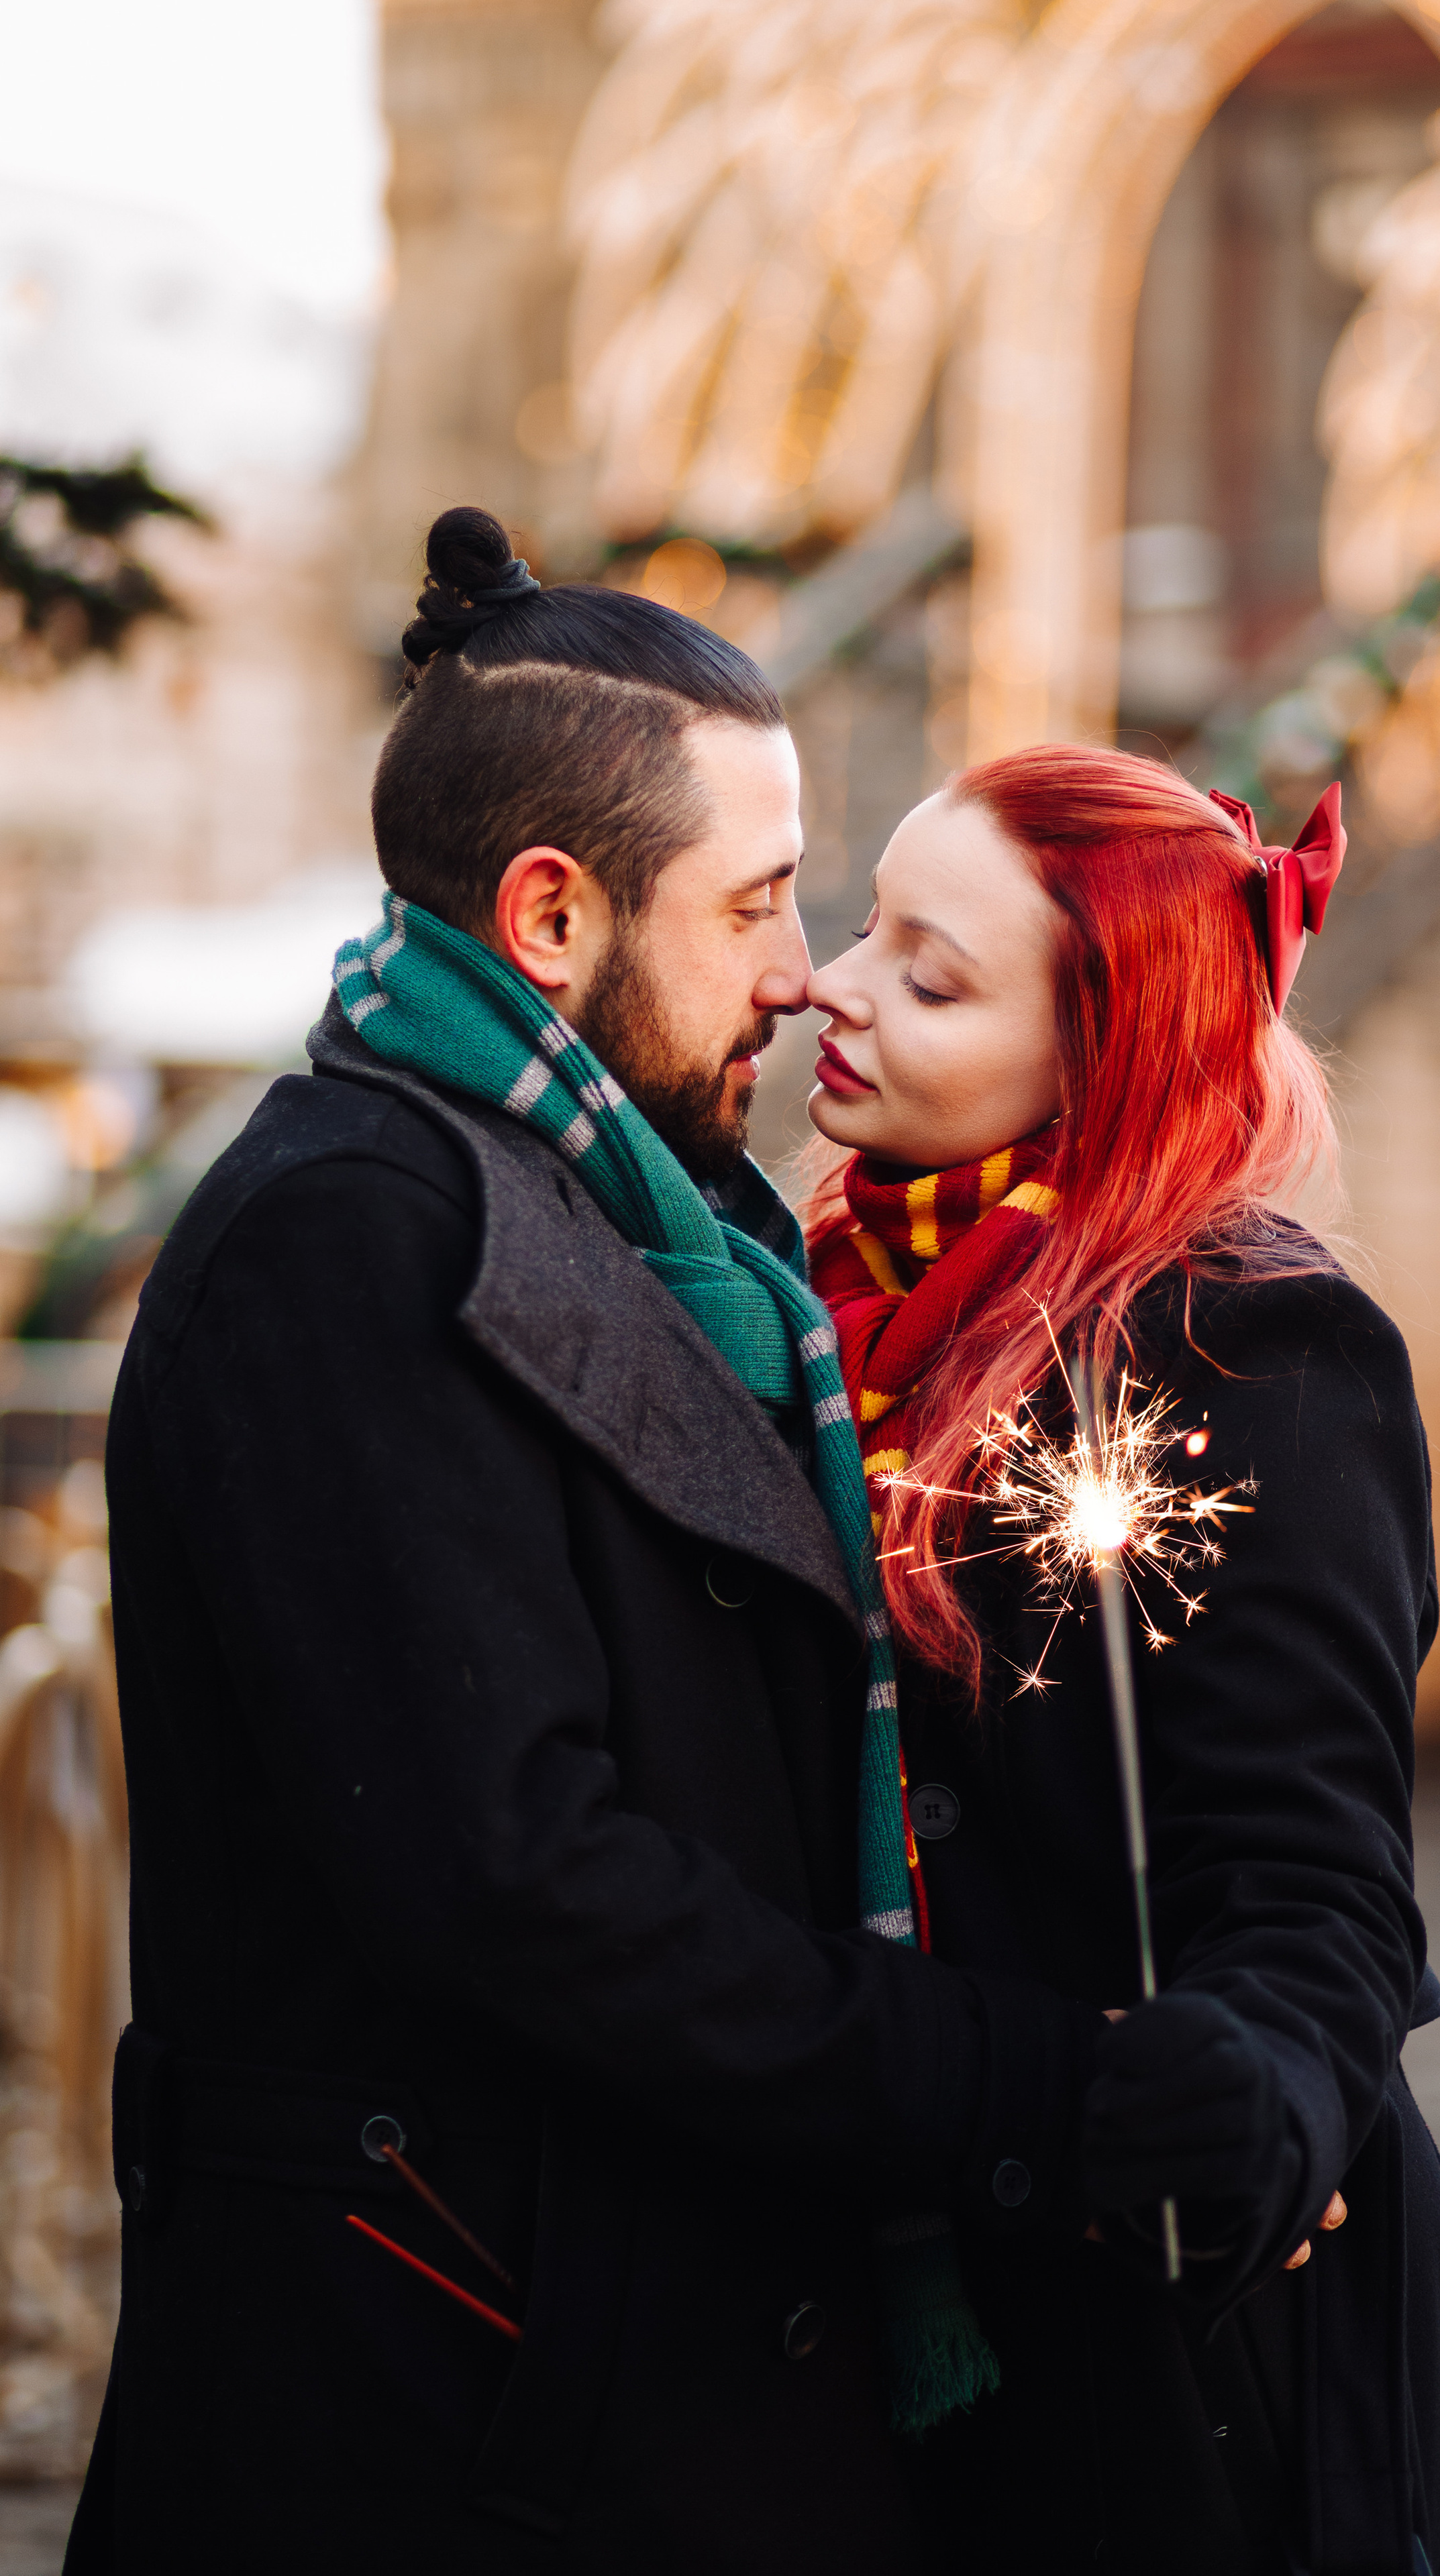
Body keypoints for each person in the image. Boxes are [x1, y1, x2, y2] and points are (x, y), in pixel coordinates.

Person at [66, 510, 1111, 2575]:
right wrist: (1002, 2078)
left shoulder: (655, 1233)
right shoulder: (349, 1244)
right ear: (552, 917)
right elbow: (529, 1878)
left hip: (625, 2358)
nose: (801, 975)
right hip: (448, 2406)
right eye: (759, 904)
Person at [803, 745, 1440, 2576]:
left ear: (1102, 1055)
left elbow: (1320, 1880)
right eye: (863, 927)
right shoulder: (808, 1295)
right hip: (898, 2266)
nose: (835, 983)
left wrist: (1243, 2093)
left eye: (929, 972)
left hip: (1182, 2342)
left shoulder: (1244, 1343)